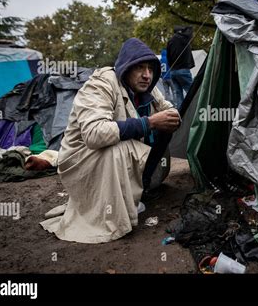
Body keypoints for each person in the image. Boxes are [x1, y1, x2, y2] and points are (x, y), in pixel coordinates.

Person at [40, 38, 181, 244]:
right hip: (82, 160)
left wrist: (172, 116)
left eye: (150, 68)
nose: (147, 75)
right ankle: (113, 210)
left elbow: (166, 107)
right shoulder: (101, 84)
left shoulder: (147, 87)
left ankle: (141, 189)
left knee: (163, 127)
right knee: (123, 146)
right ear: (126, 68)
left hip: (108, 155)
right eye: (140, 67)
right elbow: (95, 134)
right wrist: (148, 122)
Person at [167, 25, 195, 109]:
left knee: (178, 94)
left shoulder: (170, 41)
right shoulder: (185, 38)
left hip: (173, 71)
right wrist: (183, 29)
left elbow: (168, 57)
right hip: (183, 70)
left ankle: (181, 113)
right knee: (192, 91)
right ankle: (195, 109)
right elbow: (190, 28)